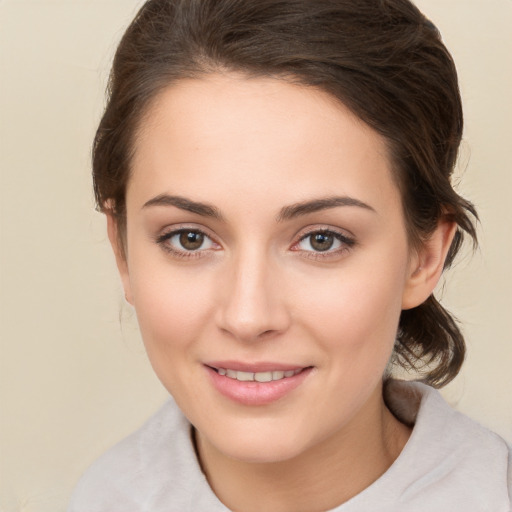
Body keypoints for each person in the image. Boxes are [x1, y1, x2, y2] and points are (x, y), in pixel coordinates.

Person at [67, 0, 511, 510]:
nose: (248, 316)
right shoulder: (103, 496)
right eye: (189, 238)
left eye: (322, 239)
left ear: (425, 255)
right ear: (122, 251)